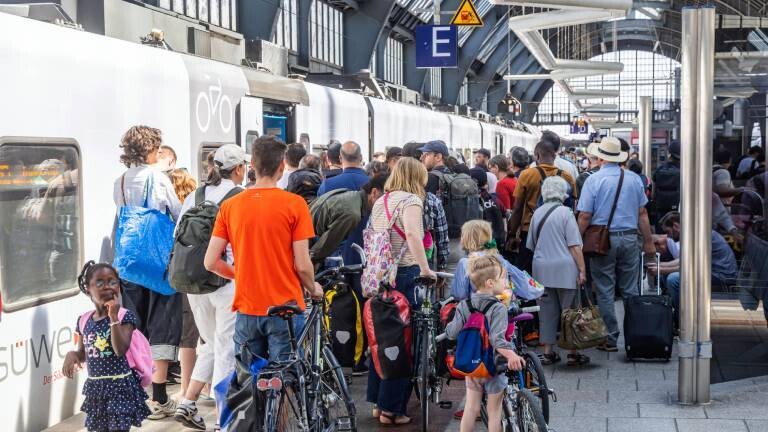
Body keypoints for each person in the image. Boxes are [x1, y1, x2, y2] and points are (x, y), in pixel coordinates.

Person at [204, 136, 323, 366]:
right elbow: (302, 264)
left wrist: (239, 274)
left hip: (248, 308)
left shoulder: (230, 206)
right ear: (281, 167)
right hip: (285, 308)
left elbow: (210, 262)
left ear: (252, 167)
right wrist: (313, 288)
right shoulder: (295, 205)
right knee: (286, 379)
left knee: (249, 380)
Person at [173, 145, 247, 431]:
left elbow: (178, 235)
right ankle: (223, 419)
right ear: (239, 168)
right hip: (227, 280)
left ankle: (187, 402)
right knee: (225, 348)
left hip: (194, 283)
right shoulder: (240, 198)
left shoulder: (195, 195)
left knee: (210, 344)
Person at [112, 125, 182, 418]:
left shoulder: (120, 181)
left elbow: (120, 215)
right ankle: (160, 398)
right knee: (162, 326)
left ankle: (136, 394)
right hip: (158, 264)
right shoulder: (158, 178)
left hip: (128, 263)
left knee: (135, 326)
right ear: (152, 149)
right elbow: (177, 214)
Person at [366, 157, 435, 426]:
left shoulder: (382, 201)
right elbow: (413, 236)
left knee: (381, 339)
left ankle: (377, 401)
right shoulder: (411, 201)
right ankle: (392, 409)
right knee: (403, 343)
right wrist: (426, 269)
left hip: (381, 277)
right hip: (404, 276)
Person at [577, 137, 655, 352]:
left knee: (604, 288)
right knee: (631, 289)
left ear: (600, 157)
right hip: (630, 238)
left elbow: (585, 216)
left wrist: (575, 242)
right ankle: (633, 336)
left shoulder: (593, 180)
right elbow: (643, 213)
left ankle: (611, 338)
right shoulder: (633, 179)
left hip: (602, 241)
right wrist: (648, 242)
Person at [62, 261, 151, 431]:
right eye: (100, 283)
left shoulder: (125, 317)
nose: (108, 287)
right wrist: (73, 355)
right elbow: (84, 353)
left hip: (119, 388)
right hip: (97, 389)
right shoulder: (84, 320)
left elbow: (120, 349)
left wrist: (113, 318)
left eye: (112, 282)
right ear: (88, 288)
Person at [444, 254, 525, 432]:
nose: (505, 282)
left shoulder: (464, 305)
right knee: (494, 412)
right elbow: (497, 339)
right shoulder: (498, 308)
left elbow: (451, 333)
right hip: (493, 365)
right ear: (490, 283)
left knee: (471, 408)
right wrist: (511, 354)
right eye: (502, 278)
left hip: (472, 365)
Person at [526, 177, 588, 366]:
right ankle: (572, 352)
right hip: (565, 269)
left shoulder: (537, 213)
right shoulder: (566, 213)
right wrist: (582, 269)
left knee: (547, 311)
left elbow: (531, 244)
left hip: (541, 269)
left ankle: (548, 352)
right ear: (563, 193)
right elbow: (575, 246)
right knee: (570, 311)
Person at [650, 211, 737, 326]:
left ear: (676, 226)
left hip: (721, 275)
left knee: (673, 279)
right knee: (666, 275)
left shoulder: (698, 235)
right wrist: (660, 266)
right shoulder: (693, 233)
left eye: (668, 231)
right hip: (712, 272)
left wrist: (661, 269)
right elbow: (684, 260)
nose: (668, 236)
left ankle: (681, 320)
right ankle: (677, 314)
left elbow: (688, 265)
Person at [507, 140, 576, 273]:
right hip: (559, 231)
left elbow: (517, 208)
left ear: (537, 156)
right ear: (555, 156)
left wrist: (511, 233)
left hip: (530, 230)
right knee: (553, 271)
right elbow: (572, 207)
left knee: (526, 272)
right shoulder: (566, 176)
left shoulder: (527, 175)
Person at [167, 167, 200, 401]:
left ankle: (185, 387)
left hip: (180, 274)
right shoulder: (197, 203)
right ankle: (204, 387)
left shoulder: (178, 212)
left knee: (187, 334)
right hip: (206, 275)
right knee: (205, 336)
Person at [309, 173, 387, 265]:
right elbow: (321, 248)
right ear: (374, 192)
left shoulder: (351, 196)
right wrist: (310, 265)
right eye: (387, 198)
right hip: (305, 239)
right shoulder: (352, 214)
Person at [450, 220, 521, 301]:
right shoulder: (499, 258)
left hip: (475, 310)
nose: (460, 238)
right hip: (501, 307)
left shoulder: (465, 263)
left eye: (462, 235)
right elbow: (521, 281)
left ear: (469, 238)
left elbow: (459, 294)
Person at [652, 141, 681, 224]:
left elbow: (653, 194)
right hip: (677, 210)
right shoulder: (683, 171)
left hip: (661, 210)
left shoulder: (659, 170)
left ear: (669, 153)